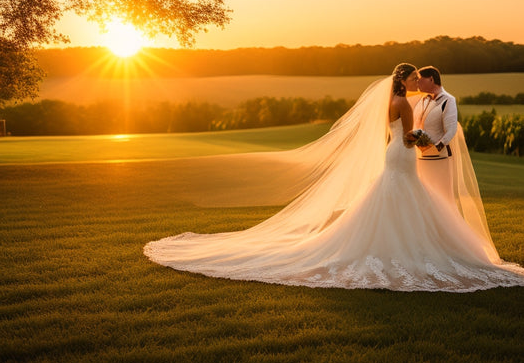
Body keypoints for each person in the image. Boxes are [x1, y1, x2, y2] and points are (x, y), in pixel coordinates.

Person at [144, 64, 524, 292]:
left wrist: (418, 139)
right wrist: (420, 139)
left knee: (393, 197)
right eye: (411, 78)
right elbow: (409, 135)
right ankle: (417, 248)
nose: (414, 83)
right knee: (407, 197)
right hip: (405, 153)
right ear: (403, 80)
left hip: (393, 154)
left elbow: (395, 132)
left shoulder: (389, 102)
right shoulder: (405, 105)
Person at [413, 66, 458, 208]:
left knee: (440, 198)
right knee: (423, 197)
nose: (417, 84)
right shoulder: (422, 100)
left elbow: (451, 130)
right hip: (420, 157)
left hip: (439, 158)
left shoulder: (448, 100)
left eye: (420, 80)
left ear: (431, 79)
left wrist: (435, 147)